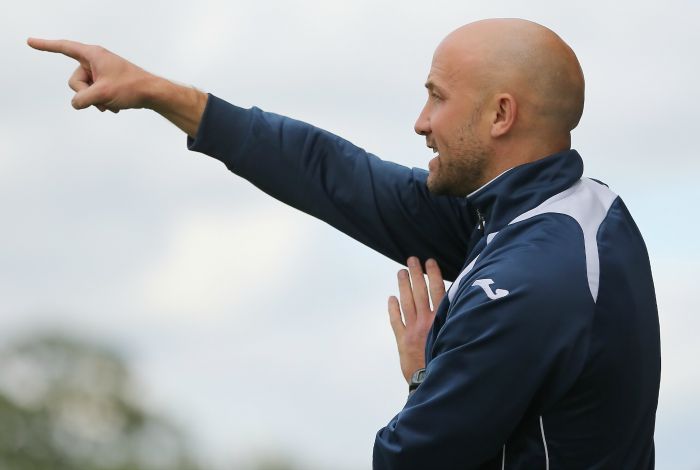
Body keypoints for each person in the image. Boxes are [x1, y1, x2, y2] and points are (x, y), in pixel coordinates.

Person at [27, 18, 660, 469]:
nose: (420, 122)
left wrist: (422, 373)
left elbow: (408, 458)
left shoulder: (528, 283)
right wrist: (159, 92)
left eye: (437, 98)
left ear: (500, 115)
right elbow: (336, 176)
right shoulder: (567, 209)